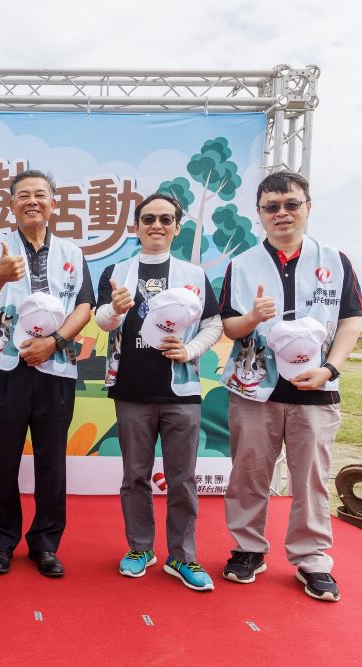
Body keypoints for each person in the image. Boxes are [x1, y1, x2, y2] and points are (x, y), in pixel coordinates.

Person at [219, 171, 362, 602]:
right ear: (259, 213)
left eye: (291, 204)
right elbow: (229, 325)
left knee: (311, 478)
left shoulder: (335, 260)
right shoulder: (241, 264)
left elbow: (350, 321)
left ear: (307, 207)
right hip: (254, 387)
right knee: (248, 473)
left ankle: (312, 558)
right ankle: (248, 548)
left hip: (315, 388)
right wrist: (253, 318)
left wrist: (330, 369)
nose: (281, 213)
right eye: (272, 207)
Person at [95, 193, 223, 591]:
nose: (156, 225)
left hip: (181, 391)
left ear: (177, 227)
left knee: (182, 479)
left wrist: (191, 349)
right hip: (131, 389)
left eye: (166, 219)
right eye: (148, 218)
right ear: (135, 226)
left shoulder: (193, 274)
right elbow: (101, 321)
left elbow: (214, 324)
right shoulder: (117, 271)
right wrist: (115, 309)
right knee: (134, 475)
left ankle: (182, 556)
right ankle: (140, 548)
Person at [0, 169, 95, 577]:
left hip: (56, 367)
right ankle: (0, 543)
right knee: (0, 460)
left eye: (40, 194)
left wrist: (54, 342)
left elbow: (84, 306)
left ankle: (45, 544)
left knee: (51, 461)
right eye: (23, 195)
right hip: (6, 367)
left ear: (53, 203)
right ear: (11, 204)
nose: (32, 201)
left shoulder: (72, 253)